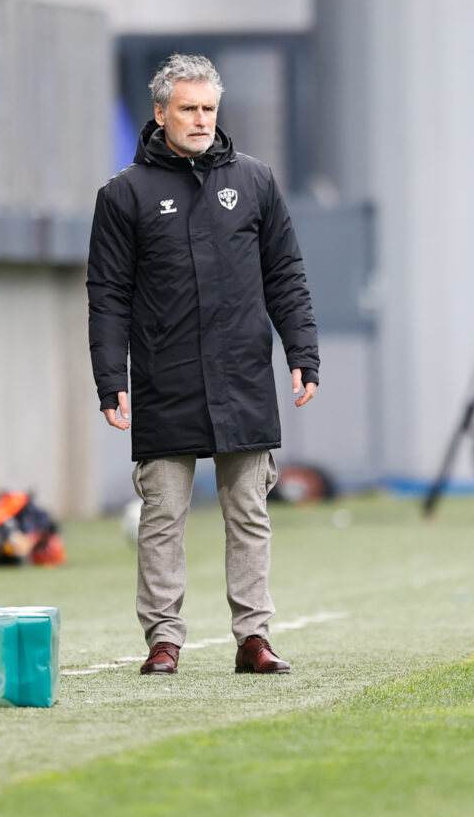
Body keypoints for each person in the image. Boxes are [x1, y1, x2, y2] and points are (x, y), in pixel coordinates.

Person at [87, 53, 320, 676]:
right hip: (165, 379)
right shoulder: (123, 195)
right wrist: (110, 378)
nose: (199, 119)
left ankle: (254, 638)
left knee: (250, 510)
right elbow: (106, 295)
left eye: (208, 109)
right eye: (187, 109)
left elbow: (286, 275)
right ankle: (163, 640)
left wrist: (303, 351)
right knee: (162, 517)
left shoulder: (255, 181)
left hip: (244, 374)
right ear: (160, 113)